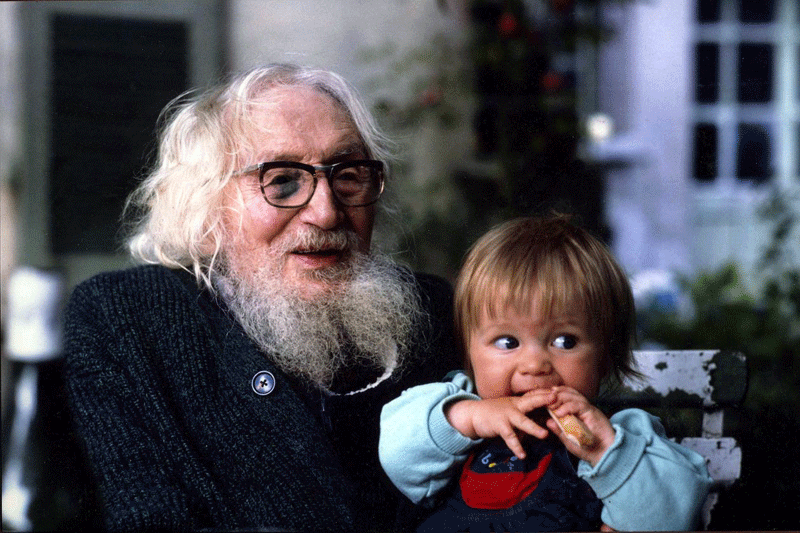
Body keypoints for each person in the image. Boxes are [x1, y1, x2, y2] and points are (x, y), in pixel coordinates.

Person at [62, 64, 459, 532]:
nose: (327, 211)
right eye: (283, 180)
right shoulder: (127, 321)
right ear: (208, 203)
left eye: (347, 174)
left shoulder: (430, 311)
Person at [379, 215, 713, 532]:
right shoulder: (453, 415)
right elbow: (397, 456)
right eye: (507, 341)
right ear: (468, 352)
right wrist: (468, 417)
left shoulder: (622, 437)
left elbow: (671, 517)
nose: (536, 364)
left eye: (565, 341)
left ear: (606, 357)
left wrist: (604, 452)